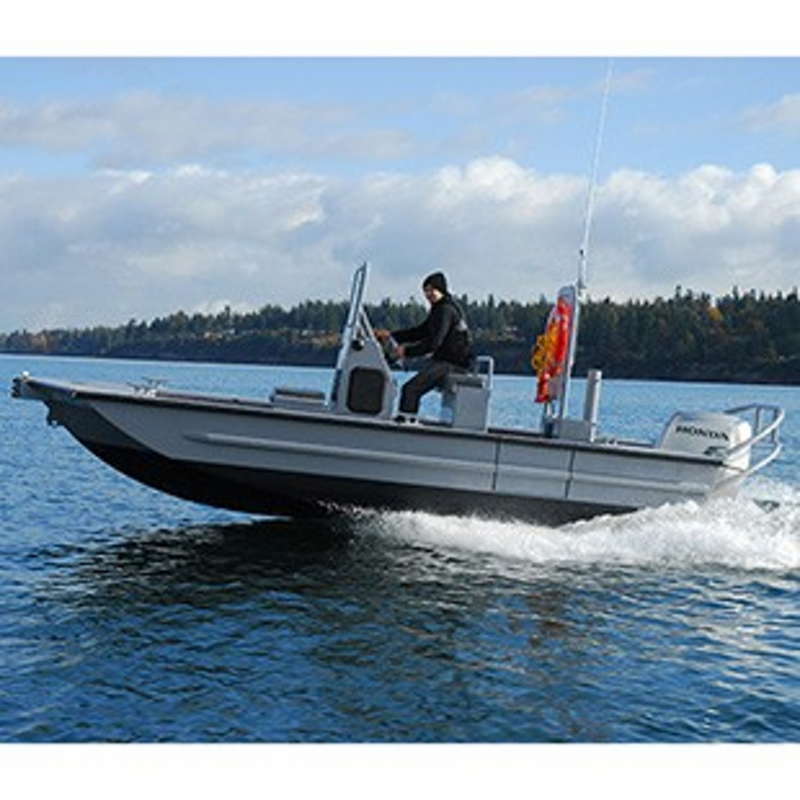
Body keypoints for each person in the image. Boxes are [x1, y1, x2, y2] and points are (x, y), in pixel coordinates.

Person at [378, 271, 473, 417]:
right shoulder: (439, 308)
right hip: (446, 361)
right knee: (410, 389)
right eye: (426, 291)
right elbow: (421, 331)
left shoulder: (445, 310)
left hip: (453, 364)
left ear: (441, 289)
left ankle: (406, 424)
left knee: (411, 390)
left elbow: (433, 343)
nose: (428, 294)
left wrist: (406, 351)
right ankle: (405, 421)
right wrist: (392, 335)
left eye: (431, 290)